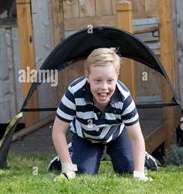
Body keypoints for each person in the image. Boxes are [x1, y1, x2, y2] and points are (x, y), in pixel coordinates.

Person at [52, 47, 151, 181]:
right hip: (86, 136)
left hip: (116, 135)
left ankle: (141, 157)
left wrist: (139, 174)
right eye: (98, 80)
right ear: (87, 76)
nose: (104, 87)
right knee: (83, 173)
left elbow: (136, 138)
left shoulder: (124, 97)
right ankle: (69, 153)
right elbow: (58, 131)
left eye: (110, 81)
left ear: (117, 76)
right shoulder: (74, 92)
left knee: (128, 169)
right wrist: (67, 167)